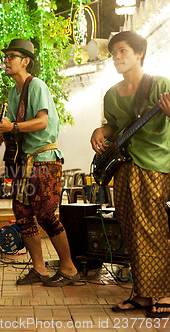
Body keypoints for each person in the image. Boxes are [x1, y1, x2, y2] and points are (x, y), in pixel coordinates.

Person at [90, 31, 170, 317]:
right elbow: (113, 126)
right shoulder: (112, 94)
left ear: (139, 54)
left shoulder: (161, 85)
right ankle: (142, 295)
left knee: (153, 230)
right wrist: (101, 131)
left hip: (153, 165)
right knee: (131, 232)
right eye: (113, 54)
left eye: (123, 51)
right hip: (122, 168)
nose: (117, 58)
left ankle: (164, 294)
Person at [0, 39, 79, 286]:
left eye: (11, 56)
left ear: (25, 61)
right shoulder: (12, 92)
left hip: (44, 159)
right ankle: (39, 268)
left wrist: (14, 126)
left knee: (46, 215)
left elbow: (42, 122)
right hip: (24, 161)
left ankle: (69, 268)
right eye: (5, 56)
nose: (6, 61)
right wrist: (2, 131)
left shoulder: (37, 85)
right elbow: (11, 125)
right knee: (22, 214)